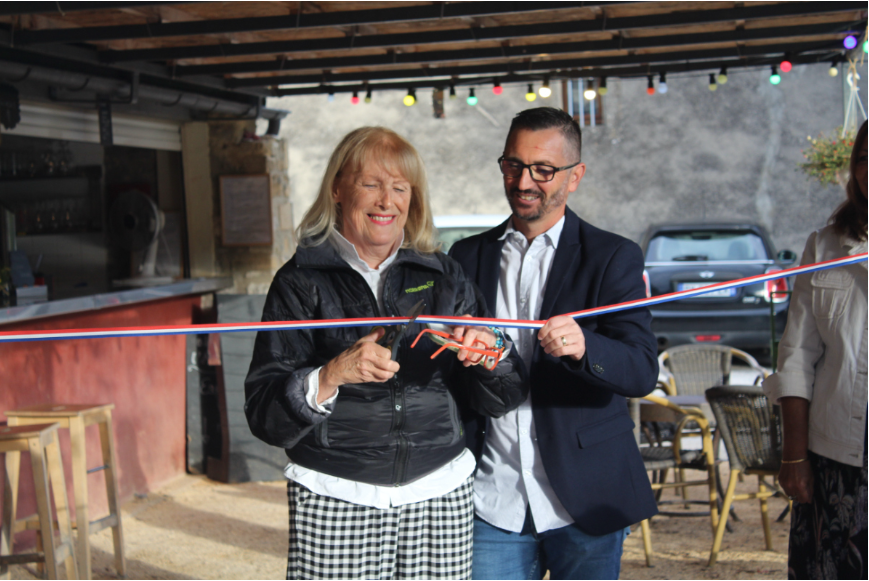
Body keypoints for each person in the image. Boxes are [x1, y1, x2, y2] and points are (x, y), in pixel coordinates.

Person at [244, 126, 527, 580]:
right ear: (337, 189)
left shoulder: (444, 275)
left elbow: (503, 397)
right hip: (336, 495)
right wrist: (331, 374)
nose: (386, 201)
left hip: (440, 492)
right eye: (370, 184)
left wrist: (491, 355)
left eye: (399, 188)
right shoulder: (299, 281)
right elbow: (266, 418)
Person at [449, 107, 659, 580]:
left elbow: (642, 370)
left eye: (543, 169)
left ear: (575, 176)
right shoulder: (465, 255)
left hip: (586, 497)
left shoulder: (613, 256)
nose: (524, 182)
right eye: (513, 165)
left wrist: (587, 347)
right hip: (492, 496)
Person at [763, 119, 867, 580]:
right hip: (836, 456)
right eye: (864, 159)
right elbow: (796, 359)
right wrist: (794, 457)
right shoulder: (825, 247)